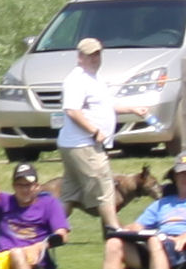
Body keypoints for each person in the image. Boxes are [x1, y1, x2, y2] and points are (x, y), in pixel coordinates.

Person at [58, 37, 151, 235]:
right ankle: (114, 230)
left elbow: (107, 106)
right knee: (105, 188)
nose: (95, 58)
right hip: (83, 144)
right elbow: (72, 111)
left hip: (77, 145)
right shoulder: (76, 80)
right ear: (80, 57)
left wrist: (133, 109)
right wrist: (94, 131)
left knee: (70, 194)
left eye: (97, 54)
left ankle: (48, 231)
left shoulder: (95, 78)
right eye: (90, 55)